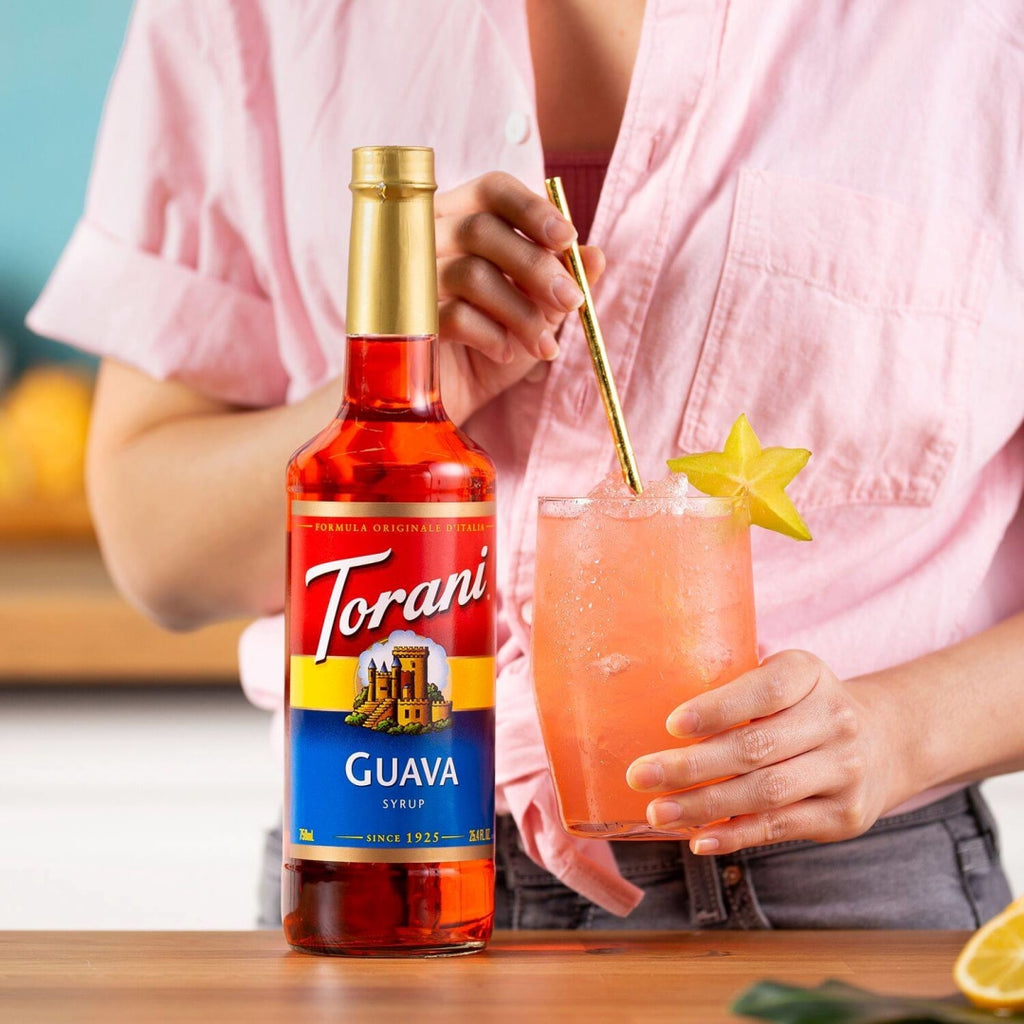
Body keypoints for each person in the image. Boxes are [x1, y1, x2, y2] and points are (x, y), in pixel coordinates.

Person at [28, 0, 1024, 930]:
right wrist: (393, 398)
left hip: (833, 887)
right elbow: (161, 552)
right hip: (370, 846)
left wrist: (898, 731)